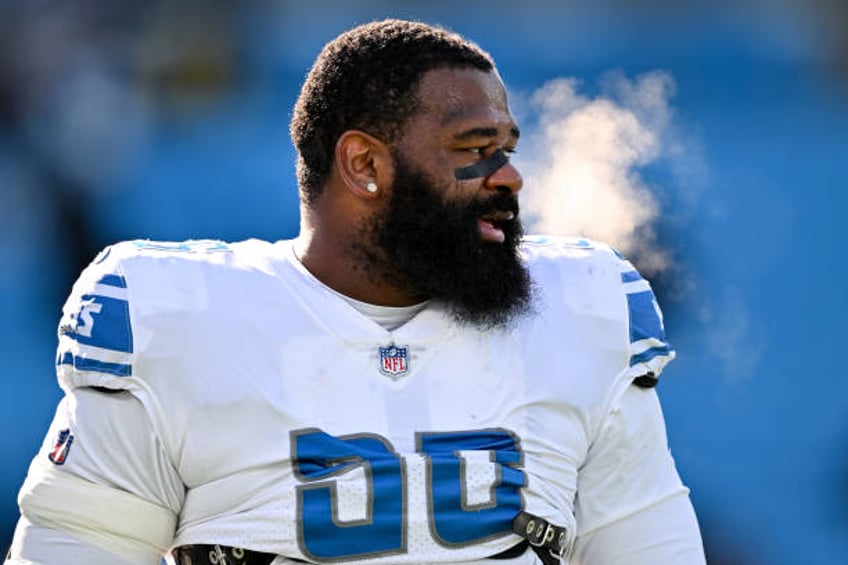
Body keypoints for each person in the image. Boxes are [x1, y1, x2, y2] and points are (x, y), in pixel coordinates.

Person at [6, 18, 706, 565]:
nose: (509, 177)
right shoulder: (177, 321)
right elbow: (77, 544)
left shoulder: (582, 316)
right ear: (364, 165)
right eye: (472, 148)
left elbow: (649, 544)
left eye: (507, 150)